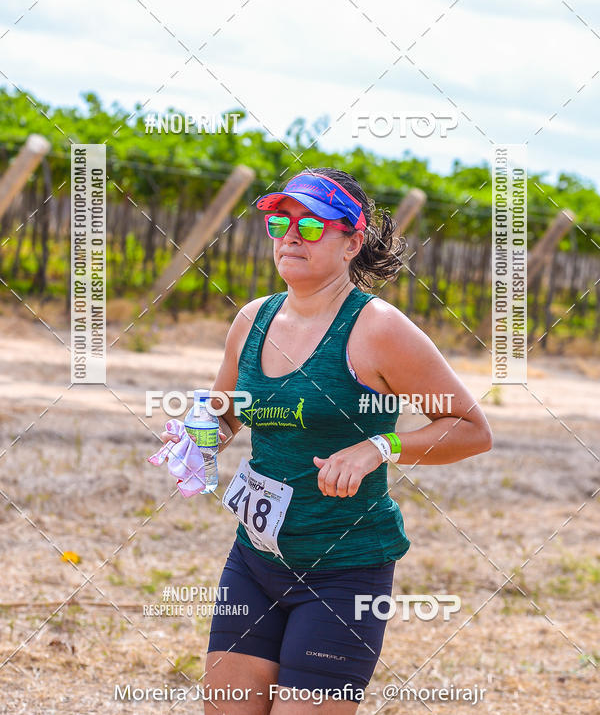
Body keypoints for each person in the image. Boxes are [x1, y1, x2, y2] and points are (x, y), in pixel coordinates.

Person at [160, 167, 492, 714]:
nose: (291, 235)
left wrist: (380, 447)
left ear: (352, 242)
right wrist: (200, 434)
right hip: (254, 560)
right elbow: (230, 412)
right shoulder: (252, 319)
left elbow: (472, 429)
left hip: (344, 574)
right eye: (280, 222)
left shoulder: (379, 329)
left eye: (312, 225)